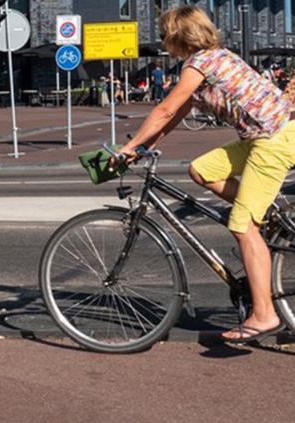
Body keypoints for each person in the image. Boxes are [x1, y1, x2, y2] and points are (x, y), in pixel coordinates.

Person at [116, 5, 295, 343]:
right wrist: (142, 147)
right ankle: (267, 214)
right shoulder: (212, 61)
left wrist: (127, 149)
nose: (163, 40)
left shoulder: (202, 62)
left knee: (241, 224)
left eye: (165, 34)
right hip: (263, 137)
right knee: (201, 169)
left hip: (275, 139)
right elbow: (172, 117)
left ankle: (265, 314)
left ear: (179, 35)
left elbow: (165, 108)